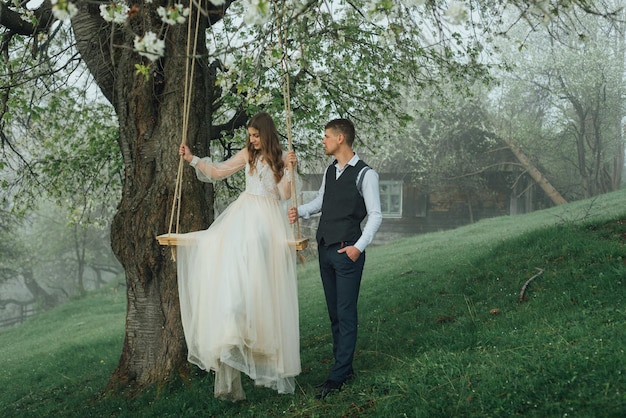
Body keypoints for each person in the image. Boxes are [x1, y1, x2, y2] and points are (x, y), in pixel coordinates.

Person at [176, 112, 301, 401]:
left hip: (266, 219)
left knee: (260, 277)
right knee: (227, 256)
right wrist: (193, 159)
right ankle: (233, 326)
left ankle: (259, 342)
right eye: (250, 135)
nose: (252, 140)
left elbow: (283, 195)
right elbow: (219, 171)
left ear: (266, 134)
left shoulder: (280, 159)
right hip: (244, 214)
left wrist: (291, 171)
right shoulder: (248, 155)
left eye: (256, 135)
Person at [288, 118, 382, 399]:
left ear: (341, 138)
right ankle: (345, 368)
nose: (323, 141)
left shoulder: (366, 175)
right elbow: (321, 203)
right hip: (326, 250)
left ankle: (338, 375)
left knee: (346, 313)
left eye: (326, 136)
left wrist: (359, 247)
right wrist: (299, 211)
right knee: (334, 314)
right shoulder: (331, 171)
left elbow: (376, 215)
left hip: (347, 252)